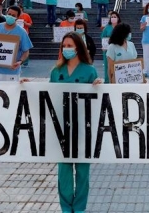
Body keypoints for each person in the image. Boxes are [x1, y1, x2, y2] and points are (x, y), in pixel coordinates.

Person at [48, 32, 102, 213]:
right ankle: (66, 208)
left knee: (82, 172)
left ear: (78, 47)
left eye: (70, 45)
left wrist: (98, 87)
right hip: (62, 128)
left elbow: (98, 101)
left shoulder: (89, 71)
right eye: (64, 46)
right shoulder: (56, 72)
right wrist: (26, 85)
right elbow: (46, 95)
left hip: (83, 128)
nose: (66, 49)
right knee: (64, 172)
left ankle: (79, 209)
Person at [0, 6, 33, 82]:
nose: (10, 16)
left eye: (13, 15)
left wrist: (20, 62)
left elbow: (26, 51)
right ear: (6, 14)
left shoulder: (21, 32)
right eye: (9, 14)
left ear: (18, 17)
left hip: (12, 72)